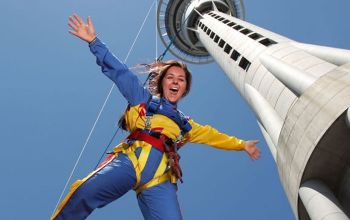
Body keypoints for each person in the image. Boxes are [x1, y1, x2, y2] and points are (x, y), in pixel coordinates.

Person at [51, 14, 261, 220]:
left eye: (181, 79)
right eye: (170, 77)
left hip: (161, 177)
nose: (175, 82)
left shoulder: (185, 123)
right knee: (84, 193)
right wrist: (94, 42)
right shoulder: (144, 99)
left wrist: (242, 145)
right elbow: (121, 73)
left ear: (185, 88)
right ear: (162, 83)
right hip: (132, 160)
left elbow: (212, 136)